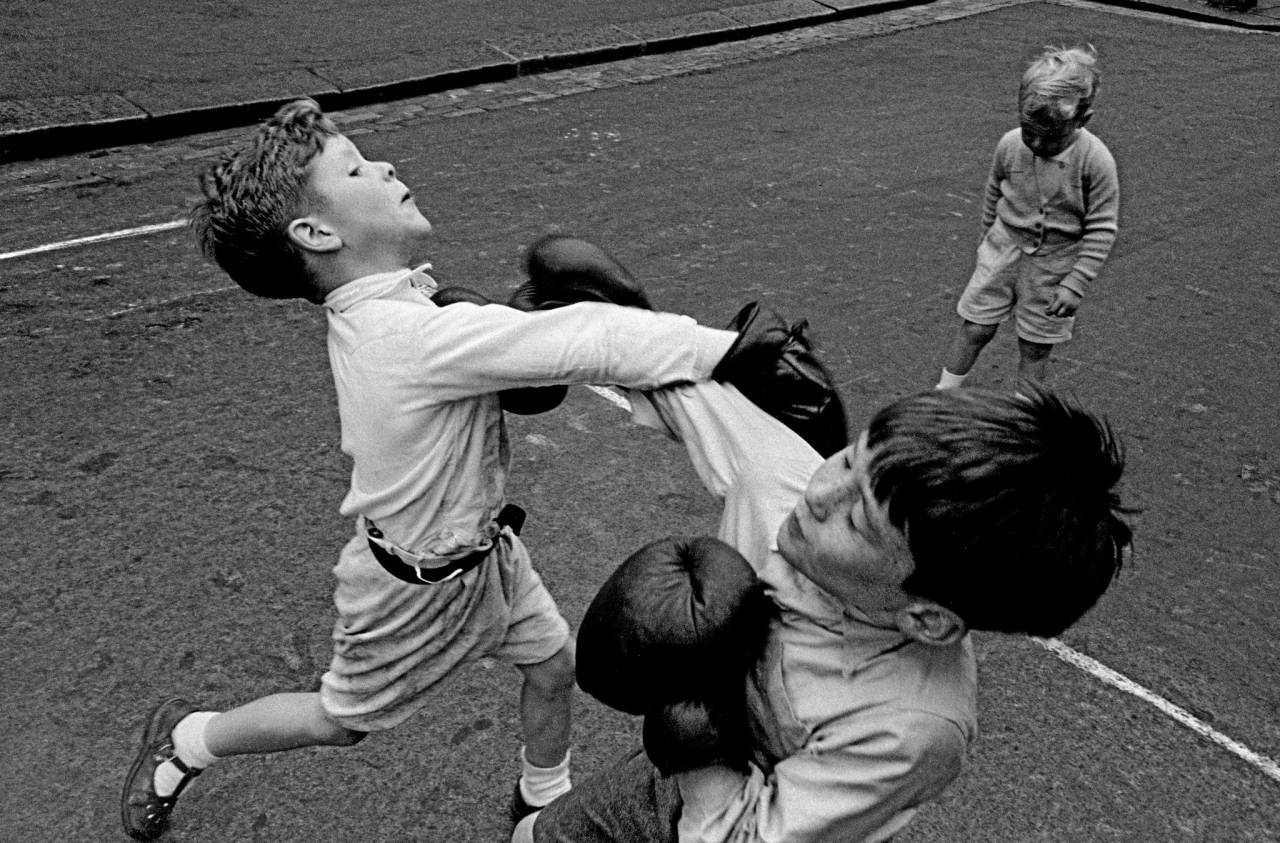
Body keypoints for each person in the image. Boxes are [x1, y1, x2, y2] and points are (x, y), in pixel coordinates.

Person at [119, 97, 744, 841]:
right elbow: (590, 338)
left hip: (485, 557)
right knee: (339, 719)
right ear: (318, 233)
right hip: (406, 592)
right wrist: (728, 352)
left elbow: (492, 362)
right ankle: (187, 740)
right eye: (354, 168)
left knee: (553, 664)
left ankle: (543, 799)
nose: (383, 165)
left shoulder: (396, 304)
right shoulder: (410, 338)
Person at [517, 381, 1132, 842]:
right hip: (663, 775)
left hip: (735, 810)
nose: (817, 492)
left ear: (926, 618)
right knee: (534, 838)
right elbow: (692, 390)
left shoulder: (909, 729)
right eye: (849, 458)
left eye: (857, 518)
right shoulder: (798, 499)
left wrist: (693, 734)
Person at [937, 45, 1119, 391]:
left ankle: (1025, 415)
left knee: (1035, 346)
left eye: (1049, 138)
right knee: (975, 326)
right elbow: (995, 192)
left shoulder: (1096, 161)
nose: (1035, 143)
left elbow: (1102, 228)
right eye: (1027, 130)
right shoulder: (1009, 145)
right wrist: (985, 243)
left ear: (1082, 119)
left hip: (1053, 264)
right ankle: (942, 395)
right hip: (1003, 250)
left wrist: (1075, 283)